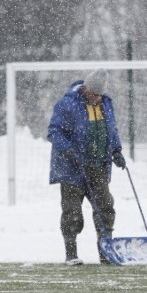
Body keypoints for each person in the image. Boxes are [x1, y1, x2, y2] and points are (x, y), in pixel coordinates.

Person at [47, 69, 127, 266]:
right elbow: (54, 132)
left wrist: (117, 151)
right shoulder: (67, 104)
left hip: (98, 166)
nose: (98, 98)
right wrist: (70, 151)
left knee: (105, 207)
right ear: (86, 89)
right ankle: (71, 253)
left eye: (100, 95)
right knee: (72, 211)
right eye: (94, 94)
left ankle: (105, 251)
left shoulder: (106, 104)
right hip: (71, 168)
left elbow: (111, 130)